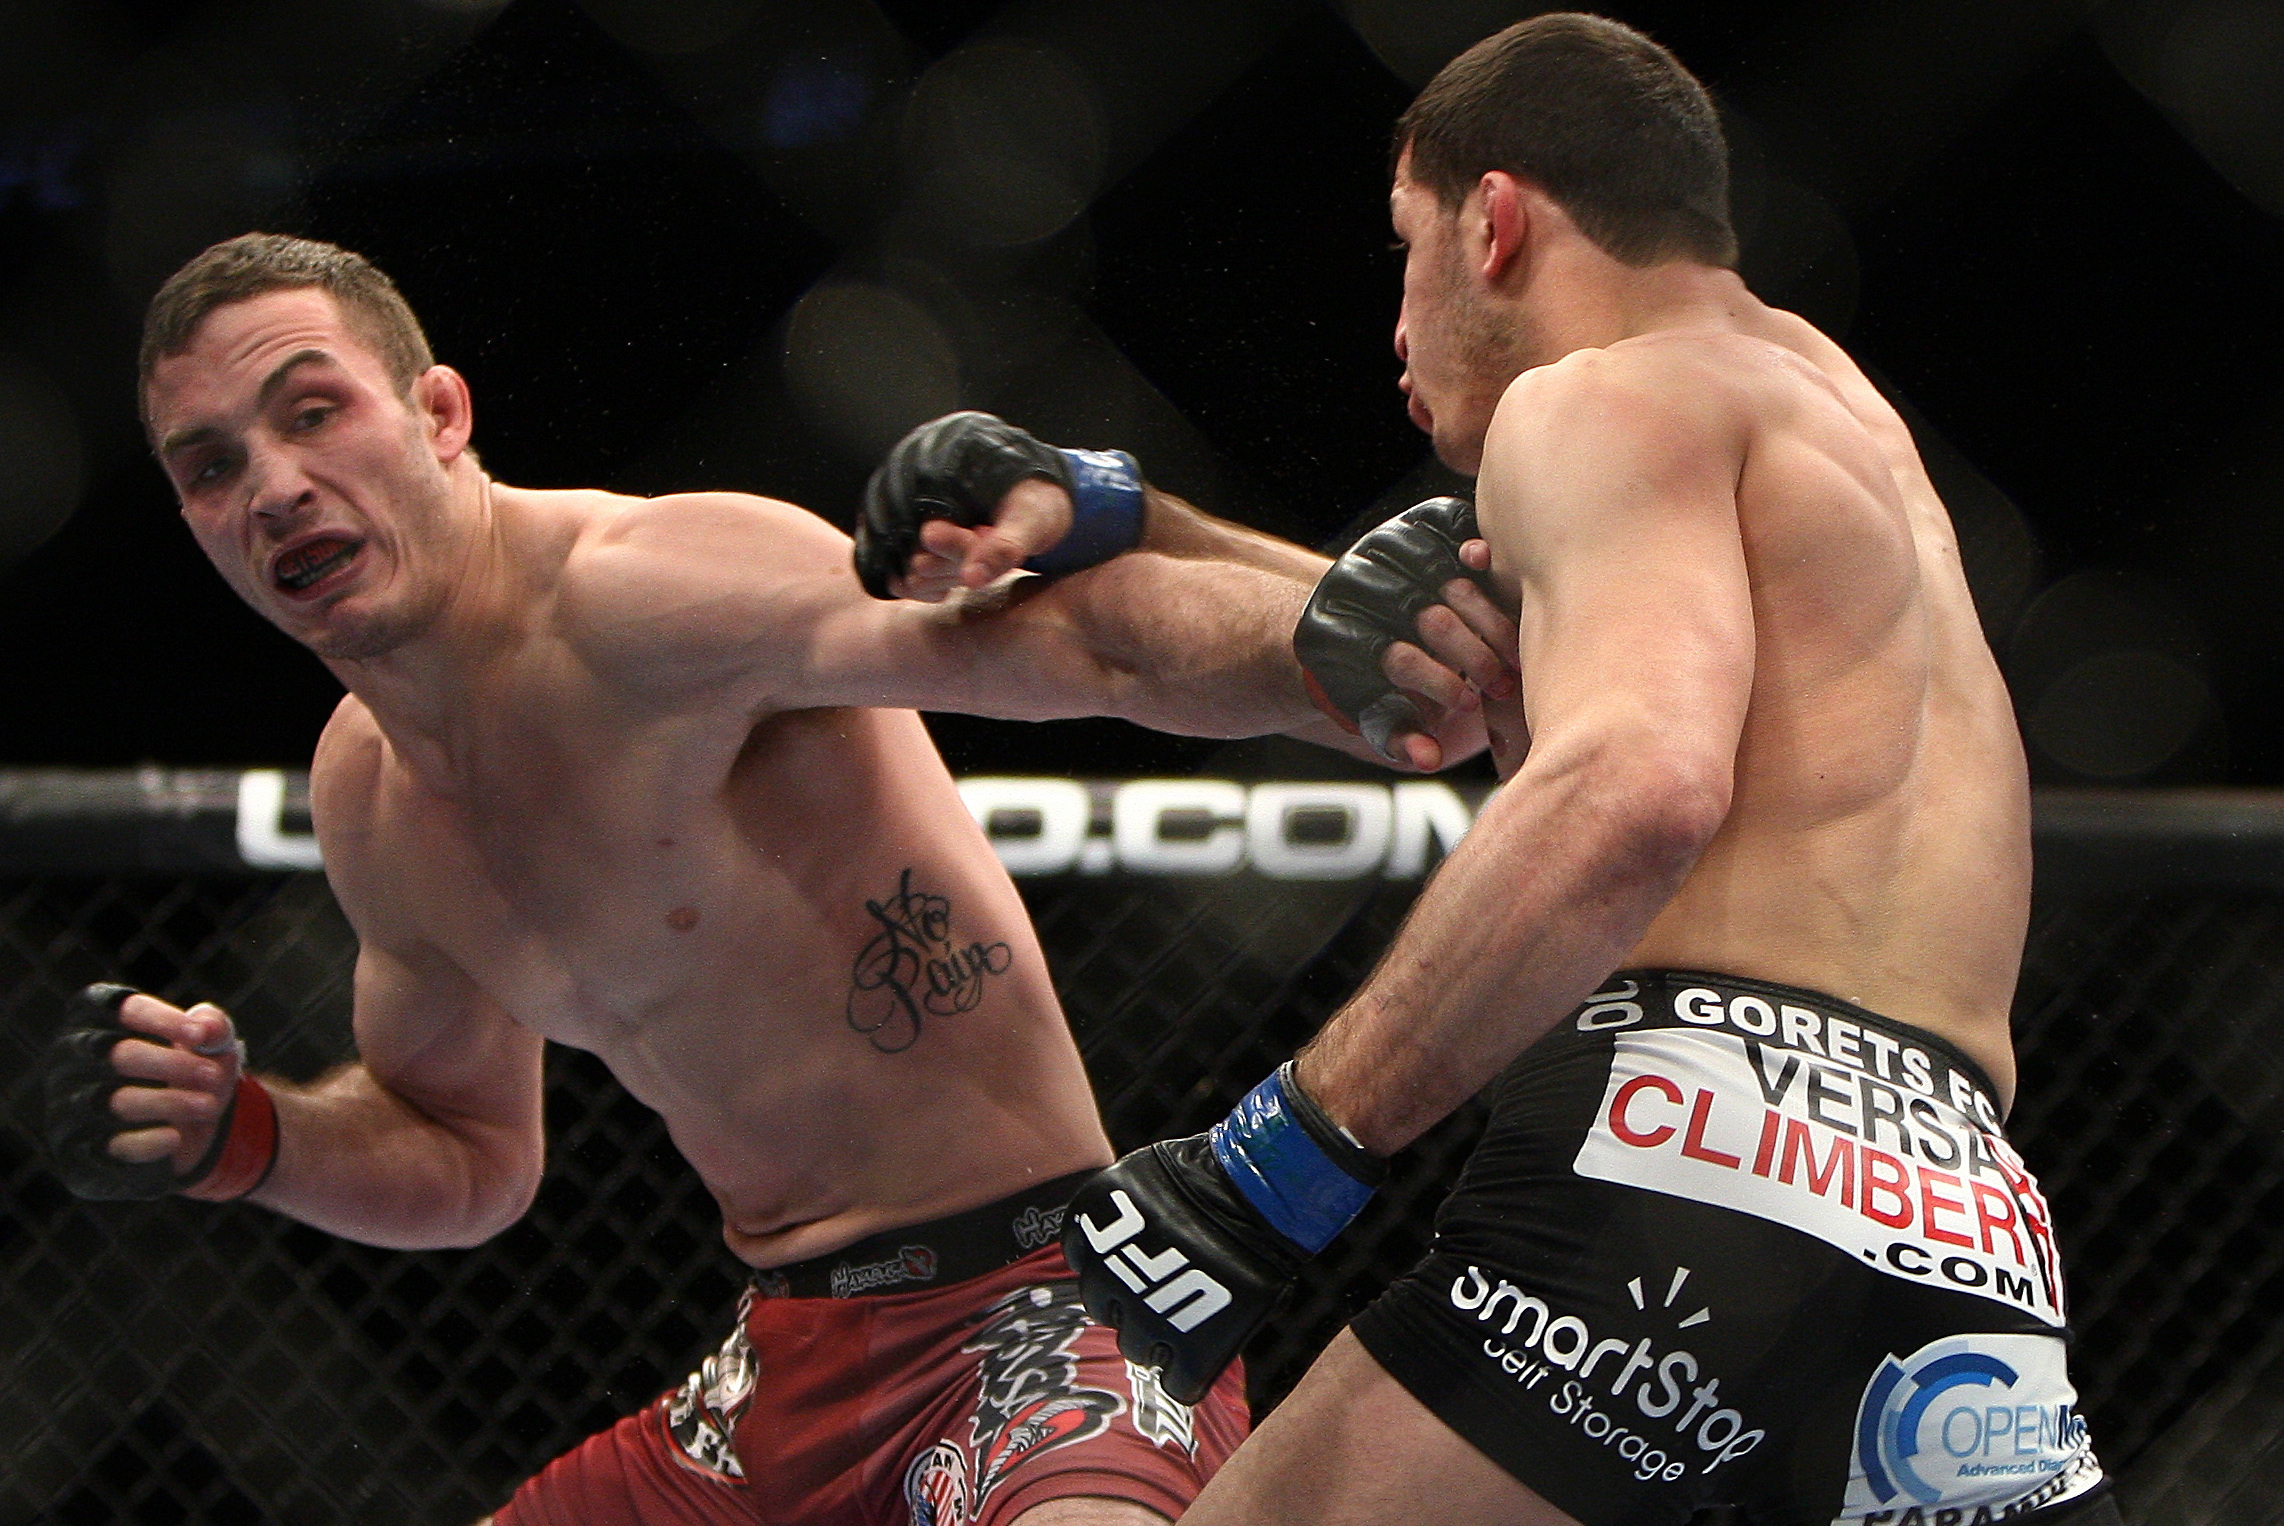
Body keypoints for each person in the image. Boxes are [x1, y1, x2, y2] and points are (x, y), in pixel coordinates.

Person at [43, 234, 1515, 1526]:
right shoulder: (370, 800)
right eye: (213, 465)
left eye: (315, 411)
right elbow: (469, 1156)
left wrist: (1315, 638)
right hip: (779, 1372)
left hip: (1054, 1304)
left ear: (438, 413)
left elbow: (1070, 641)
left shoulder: (647, 596)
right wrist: (249, 1136)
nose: (279, 486)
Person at [1047, 15, 2122, 1526]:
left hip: (1694, 1152)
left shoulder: (1593, 400)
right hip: (1967, 1226)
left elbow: (1639, 778)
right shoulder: (1834, 421)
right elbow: (1424, 635)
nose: (1398, 328)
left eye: (1404, 248)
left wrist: (1268, 1168)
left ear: (1494, 221)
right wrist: (1129, 513)